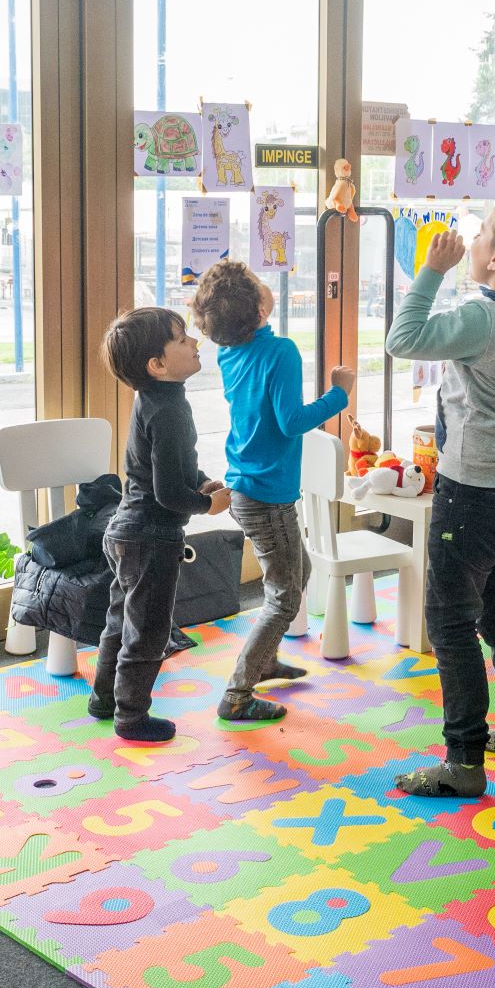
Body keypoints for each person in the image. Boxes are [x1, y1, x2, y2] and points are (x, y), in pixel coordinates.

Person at [384, 110, 495, 799]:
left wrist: (429, 273)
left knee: (450, 620)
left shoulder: (483, 318)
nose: (476, 233)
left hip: (469, 491)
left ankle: (463, 760)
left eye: (484, 231)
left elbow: (402, 339)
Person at [192, 258, 354, 726]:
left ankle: (264, 662)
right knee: (284, 597)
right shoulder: (281, 351)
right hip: (266, 495)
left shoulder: (230, 352)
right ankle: (237, 693)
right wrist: (339, 393)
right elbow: (291, 422)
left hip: (247, 488)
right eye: (258, 282)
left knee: (298, 572)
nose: (266, 284)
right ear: (259, 309)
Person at [92, 307, 230, 742]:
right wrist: (207, 504)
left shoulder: (155, 400)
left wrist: (199, 480)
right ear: (157, 364)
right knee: (148, 633)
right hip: (151, 536)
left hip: (126, 530)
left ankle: (104, 700)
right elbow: (169, 492)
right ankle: (131, 718)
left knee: (120, 622)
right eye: (182, 339)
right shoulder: (169, 411)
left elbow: (164, 468)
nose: (195, 342)